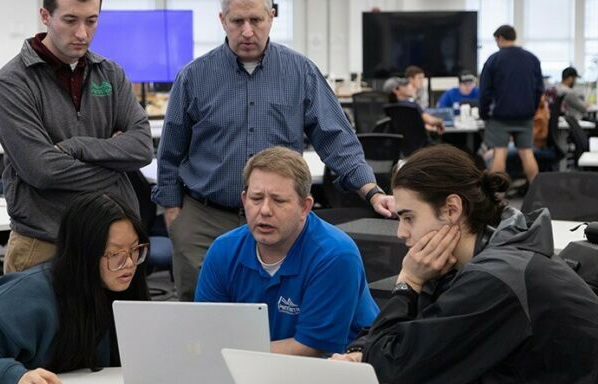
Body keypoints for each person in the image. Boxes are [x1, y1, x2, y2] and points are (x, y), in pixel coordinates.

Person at [153, 0, 394, 301]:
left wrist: (371, 191)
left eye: (256, 20)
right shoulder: (193, 77)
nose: (247, 31)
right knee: (202, 317)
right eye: (237, 21)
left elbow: (337, 139)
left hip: (277, 218)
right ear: (222, 20)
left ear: (272, 17)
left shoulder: (300, 72)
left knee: (275, 309)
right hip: (206, 219)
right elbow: (171, 151)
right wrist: (174, 213)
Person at [331, 144, 598, 383]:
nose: (401, 232)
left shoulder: (495, 275)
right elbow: (408, 335)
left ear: (452, 210)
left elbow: (392, 371)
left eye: (408, 217)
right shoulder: (473, 254)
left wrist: (408, 283)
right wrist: (359, 352)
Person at [0, 0, 153, 274]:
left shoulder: (111, 74)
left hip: (111, 240)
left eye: (91, 21)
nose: (82, 33)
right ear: (45, 16)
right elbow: (42, 170)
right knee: (43, 318)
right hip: (45, 243)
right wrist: (115, 167)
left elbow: (142, 148)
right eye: (70, 20)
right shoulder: (12, 83)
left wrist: (77, 147)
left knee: (112, 318)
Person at [0, 193, 152, 384]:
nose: (130, 263)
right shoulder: (29, 295)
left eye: (135, 250)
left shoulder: (120, 290)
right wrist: (15, 376)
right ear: (84, 254)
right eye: (115, 254)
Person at [195, 147, 379, 356]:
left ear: (305, 207)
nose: (264, 210)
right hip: (249, 365)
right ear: (244, 200)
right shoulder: (223, 251)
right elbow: (208, 331)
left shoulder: (335, 255)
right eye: (256, 198)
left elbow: (312, 348)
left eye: (279, 200)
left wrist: (229, 352)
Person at [479, 25, 543, 183]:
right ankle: (537, 194)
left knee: (499, 154)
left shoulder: (494, 60)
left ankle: (495, 198)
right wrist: (532, 110)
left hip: (500, 117)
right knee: (527, 154)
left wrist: (484, 114)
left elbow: (485, 91)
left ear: (499, 38)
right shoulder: (532, 59)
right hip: (525, 116)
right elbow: (539, 89)